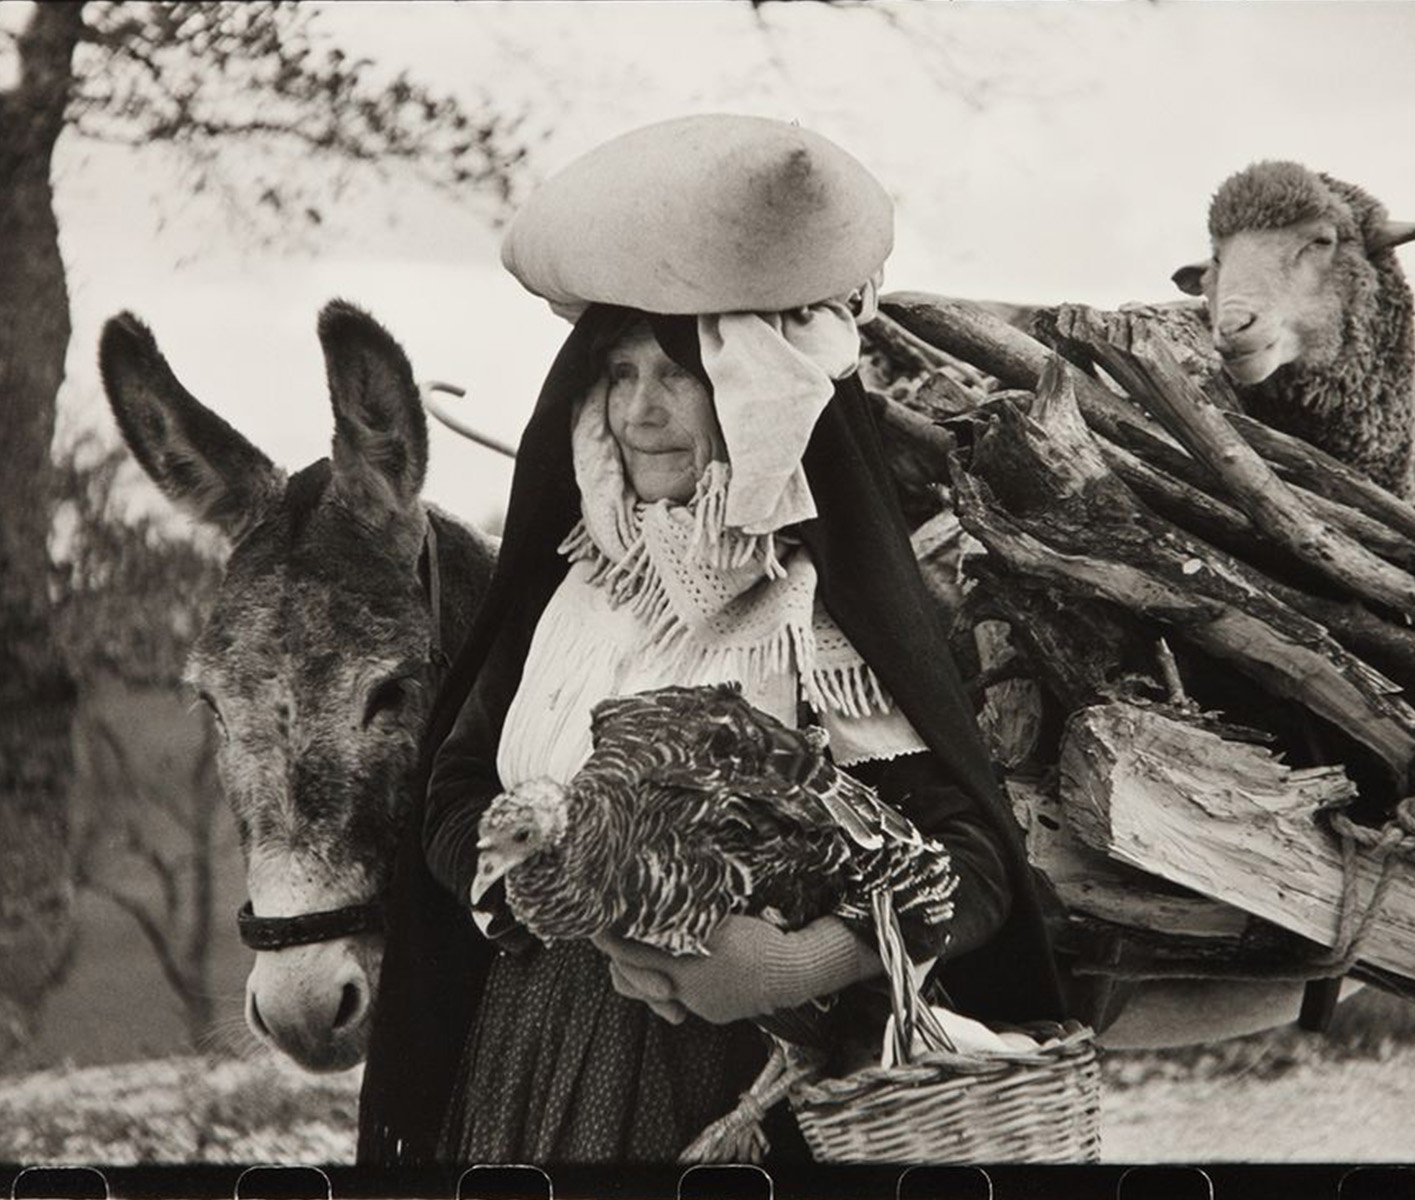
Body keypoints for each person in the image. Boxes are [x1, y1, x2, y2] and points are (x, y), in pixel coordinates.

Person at [355, 118, 1070, 1167]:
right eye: (618, 374)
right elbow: (455, 786)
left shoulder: (814, 613)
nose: (641, 411)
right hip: (524, 1050)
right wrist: (533, 886)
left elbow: (970, 867)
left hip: (738, 1081)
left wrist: (794, 967)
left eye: (676, 376)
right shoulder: (570, 584)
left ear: (749, 400)